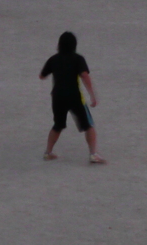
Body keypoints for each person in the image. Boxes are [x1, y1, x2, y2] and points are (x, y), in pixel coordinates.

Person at [39, 30, 105, 165]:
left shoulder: (53, 59)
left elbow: (42, 76)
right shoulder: (78, 59)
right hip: (74, 96)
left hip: (57, 97)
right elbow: (85, 76)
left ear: (59, 45)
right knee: (88, 125)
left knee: (58, 125)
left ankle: (48, 152)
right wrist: (93, 95)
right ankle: (93, 154)